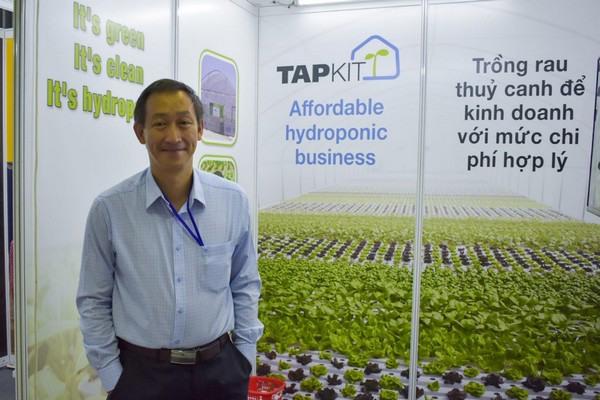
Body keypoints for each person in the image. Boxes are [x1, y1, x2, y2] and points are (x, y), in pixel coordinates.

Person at [76, 78, 263, 400]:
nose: (173, 136)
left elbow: (245, 283)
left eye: (184, 123)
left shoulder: (232, 200)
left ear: (200, 129)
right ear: (140, 133)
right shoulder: (110, 209)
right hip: (142, 376)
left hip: (220, 372)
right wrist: (114, 378)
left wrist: (244, 358)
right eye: (160, 124)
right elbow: (93, 300)